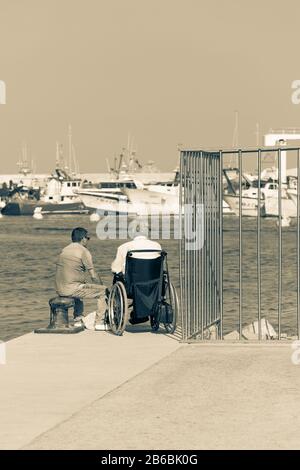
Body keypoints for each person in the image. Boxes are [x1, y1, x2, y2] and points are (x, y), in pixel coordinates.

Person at [55, 227, 109, 331]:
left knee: (81, 285)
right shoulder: (83, 251)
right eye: (88, 238)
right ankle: (99, 322)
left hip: (60, 289)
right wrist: (103, 287)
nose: (88, 241)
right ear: (83, 238)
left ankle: (78, 320)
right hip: (72, 289)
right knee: (103, 292)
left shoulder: (64, 250)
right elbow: (93, 275)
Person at [111, 227, 162, 325]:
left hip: (132, 286)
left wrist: (117, 272)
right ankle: (145, 312)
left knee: (117, 276)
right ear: (148, 234)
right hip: (155, 285)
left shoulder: (125, 246)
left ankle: (120, 313)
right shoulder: (157, 246)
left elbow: (115, 268)